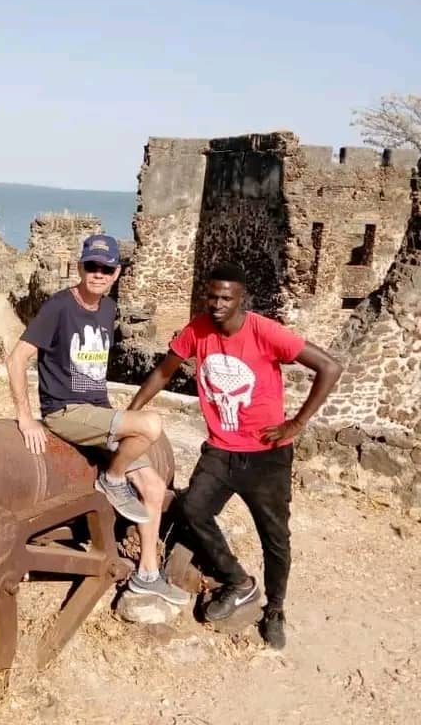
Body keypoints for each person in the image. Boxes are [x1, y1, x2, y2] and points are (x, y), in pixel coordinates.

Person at [129, 262, 342, 648]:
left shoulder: (265, 331)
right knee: (193, 509)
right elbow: (164, 371)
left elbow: (329, 366)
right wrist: (132, 412)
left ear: (241, 298)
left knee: (274, 536)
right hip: (221, 450)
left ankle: (275, 609)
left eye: (226, 298)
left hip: (267, 456)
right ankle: (238, 581)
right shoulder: (198, 329)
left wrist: (296, 423)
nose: (217, 304)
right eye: (212, 296)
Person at [6, 233, 188, 605]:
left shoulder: (107, 309)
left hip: (97, 414)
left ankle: (147, 575)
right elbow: (16, 359)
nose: (98, 274)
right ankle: (113, 478)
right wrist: (25, 418)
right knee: (150, 425)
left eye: (106, 269)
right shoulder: (59, 307)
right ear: (80, 267)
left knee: (154, 489)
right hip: (66, 412)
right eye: (92, 266)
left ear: (116, 273)